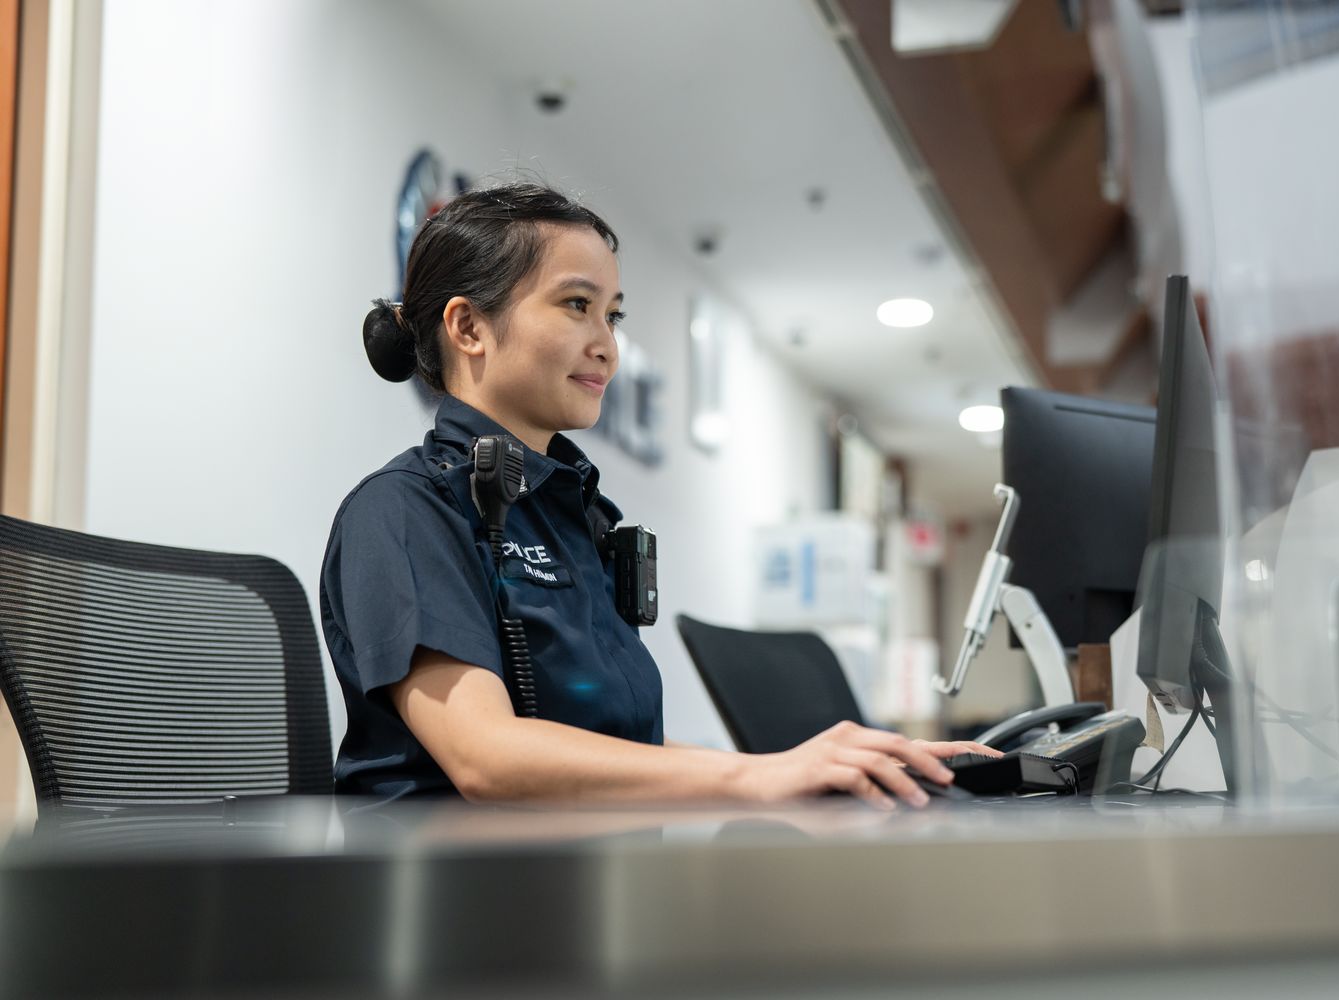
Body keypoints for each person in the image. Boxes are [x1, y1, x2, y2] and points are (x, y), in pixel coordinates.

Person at [321, 182, 995, 808]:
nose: (607, 348)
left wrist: (801, 767)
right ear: (468, 328)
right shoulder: (403, 512)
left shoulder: (572, 515)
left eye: (612, 316)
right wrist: (749, 776)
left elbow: (616, 750)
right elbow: (485, 756)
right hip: (463, 907)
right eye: (577, 306)